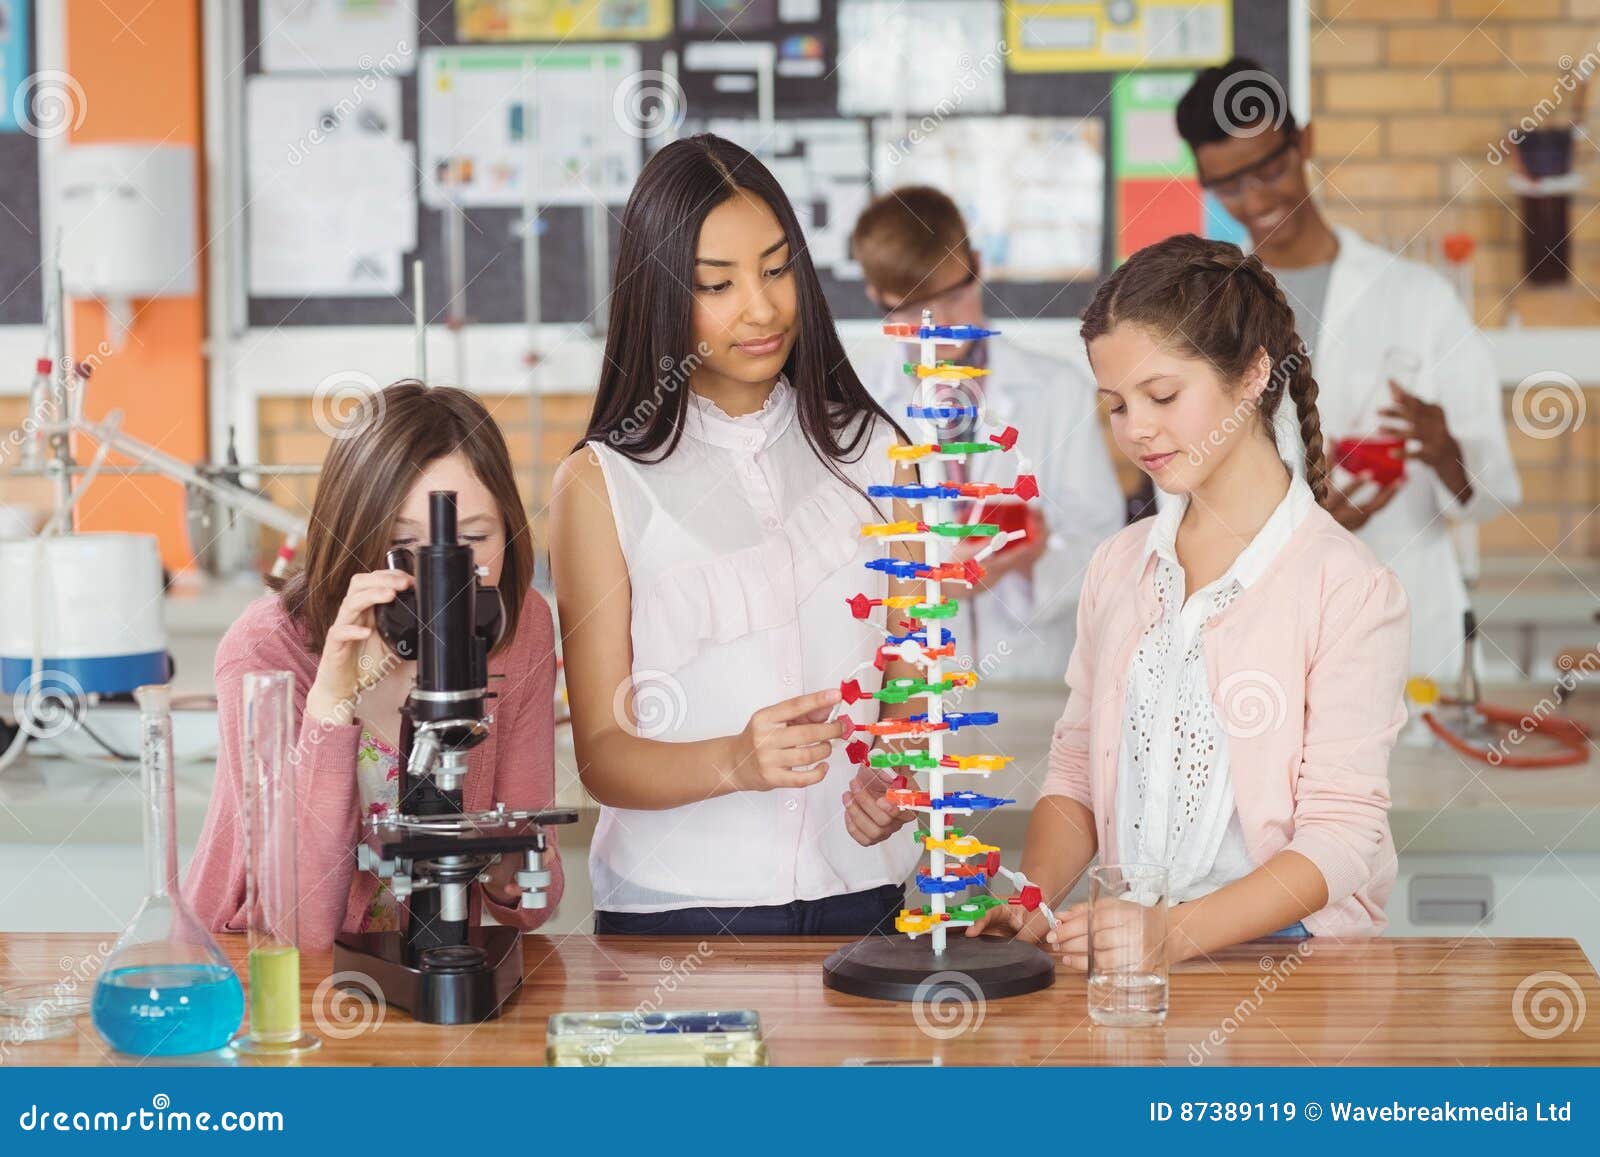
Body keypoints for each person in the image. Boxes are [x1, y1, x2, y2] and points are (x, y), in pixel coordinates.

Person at [857, 235, 1409, 964]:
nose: (1135, 430)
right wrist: (1031, 900)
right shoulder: (1121, 566)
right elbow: (1077, 769)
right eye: (1115, 405)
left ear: (1251, 374)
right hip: (1136, 961)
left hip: (1291, 965)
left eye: (1162, 395)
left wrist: (1170, 931)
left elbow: (1341, 838)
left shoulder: (1348, 586)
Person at [550, 134, 925, 936]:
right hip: (678, 913)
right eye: (717, 284)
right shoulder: (603, 483)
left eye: (778, 268)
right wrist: (734, 761)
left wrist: (897, 774)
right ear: (657, 296)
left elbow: (911, 670)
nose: (761, 308)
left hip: (865, 895)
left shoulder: (878, 454)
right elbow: (602, 753)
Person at [184, 383, 563, 951]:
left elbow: (531, 907)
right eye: (401, 542)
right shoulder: (266, 650)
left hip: (428, 953)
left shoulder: (518, 622)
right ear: (354, 532)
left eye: (476, 538)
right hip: (261, 967)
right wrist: (333, 702)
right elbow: (295, 928)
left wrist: (512, 875)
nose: (447, 572)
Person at [1177, 57, 1520, 680]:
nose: (1254, 199)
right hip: (1261, 627)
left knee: (1411, 769)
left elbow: (1493, 493)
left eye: (1269, 169)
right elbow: (1179, 485)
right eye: (1228, 185)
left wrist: (1446, 451)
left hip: (1405, 618)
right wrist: (1303, 518)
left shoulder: (1416, 298)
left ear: (1303, 142)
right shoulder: (1205, 314)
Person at [850, 186, 1126, 680]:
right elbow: (844, 560)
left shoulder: (1056, 390)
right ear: (878, 299)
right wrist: (927, 576)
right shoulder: (857, 407)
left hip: (1034, 677)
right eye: (914, 312)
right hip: (912, 686)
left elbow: (1102, 542)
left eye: (955, 295)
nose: (943, 325)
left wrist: (1028, 566)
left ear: (977, 264)